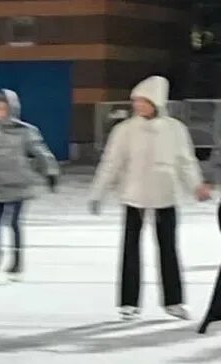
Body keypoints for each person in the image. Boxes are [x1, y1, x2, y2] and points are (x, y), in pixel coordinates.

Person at [89, 76, 209, 321]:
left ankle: (174, 301)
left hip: (166, 194)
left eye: (144, 101)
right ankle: (128, 302)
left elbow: (186, 161)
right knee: (130, 248)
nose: (138, 106)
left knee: (168, 247)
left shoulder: (175, 129)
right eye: (136, 101)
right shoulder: (124, 130)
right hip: (134, 195)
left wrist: (196, 185)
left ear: (156, 102)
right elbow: (111, 163)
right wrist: (97, 192)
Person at [0, 89, 60, 281]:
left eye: (2, 108)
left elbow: (41, 152)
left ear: (11, 109)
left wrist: (50, 172)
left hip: (19, 184)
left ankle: (16, 262)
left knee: (14, 223)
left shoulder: (25, 131)